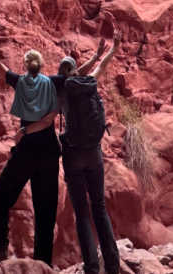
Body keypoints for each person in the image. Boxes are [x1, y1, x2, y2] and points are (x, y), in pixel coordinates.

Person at [0, 30, 62, 271]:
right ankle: (43, 264)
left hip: (26, 152)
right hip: (49, 153)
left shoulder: (20, 82)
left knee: (0, 197)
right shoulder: (52, 82)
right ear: (42, 66)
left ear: (25, 66)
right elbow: (82, 74)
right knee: (45, 209)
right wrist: (102, 54)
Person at [55, 34, 121, 274]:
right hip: (93, 153)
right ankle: (112, 266)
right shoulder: (90, 81)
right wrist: (110, 50)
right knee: (99, 207)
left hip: (73, 156)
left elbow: (69, 76)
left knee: (82, 212)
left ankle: (92, 268)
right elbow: (101, 66)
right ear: (76, 71)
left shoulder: (61, 90)